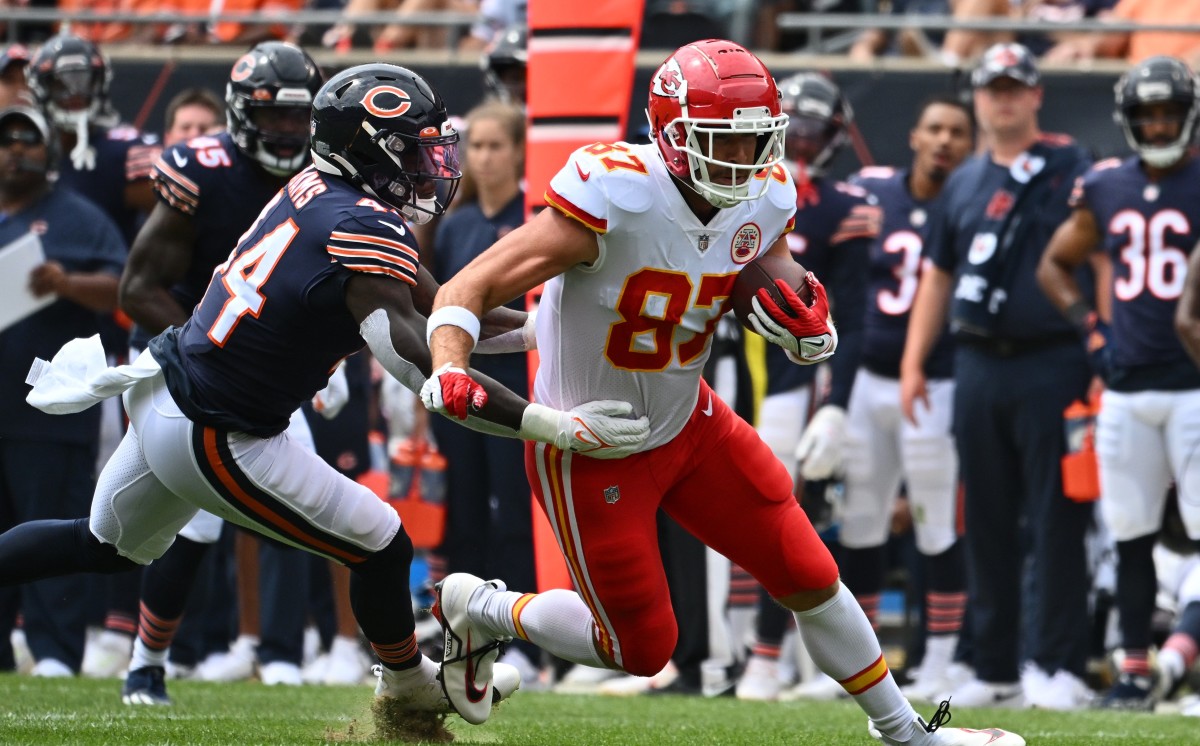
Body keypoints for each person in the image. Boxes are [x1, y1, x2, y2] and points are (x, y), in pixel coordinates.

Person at [0, 62, 650, 728]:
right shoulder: (364, 226)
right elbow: (422, 363)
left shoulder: (320, 189)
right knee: (381, 543)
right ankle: (406, 688)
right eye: (413, 148)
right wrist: (552, 424)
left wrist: (550, 327)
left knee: (103, 547)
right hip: (220, 432)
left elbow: (449, 313)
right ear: (368, 148)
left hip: (169, 394)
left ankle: (406, 680)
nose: (432, 163)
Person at [422, 38, 1024, 746]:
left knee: (808, 569)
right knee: (642, 649)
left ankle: (908, 735)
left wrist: (799, 310)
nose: (744, 160)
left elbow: (754, 262)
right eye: (724, 142)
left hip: (690, 421)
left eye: (755, 141)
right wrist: (451, 363)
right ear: (673, 137)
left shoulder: (763, 193)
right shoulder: (614, 192)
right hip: (590, 440)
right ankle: (483, 607)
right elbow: (471, 286)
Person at [117, 41, 340, 703]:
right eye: (276, 118)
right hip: (178, 354)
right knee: (190, 520)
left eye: (301, 119)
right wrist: (207, 352)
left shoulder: (326, 176)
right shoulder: (204, 168)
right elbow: (136, 288)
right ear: (243, 115)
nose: (291, 132)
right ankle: (147, 660)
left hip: (266, 361)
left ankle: (284, 650)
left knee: (308, 499)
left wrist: (334, 355)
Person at [900, 43, 1095, 711]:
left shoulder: (1072, 165)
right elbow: (939, 273)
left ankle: (1059, 662)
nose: (1003, 98)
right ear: (977, 96)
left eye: (1015, 87)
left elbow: (1098, 252)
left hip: (1053, 359)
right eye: (992, 88)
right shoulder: (963, 180)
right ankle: (997, 665)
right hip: (977, 362)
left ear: (1037, 94)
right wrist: (913, 360)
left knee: (1056, 517)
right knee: (982, 521)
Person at [1037, 55, 1200, 709]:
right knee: (1130, 534)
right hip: (1127, 386)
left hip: (1194, 384)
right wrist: (1092, 332)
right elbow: (1055, 265)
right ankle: (1136, 672)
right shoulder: (1104, 184)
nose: (1158, 125)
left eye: (1168, 112)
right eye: (1147, 114)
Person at [733, 71, 878, 703]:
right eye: (796, 127)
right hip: (739, 368)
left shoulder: (844, 206)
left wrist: (838, 403)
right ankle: (745, 654)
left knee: (794, 513)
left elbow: (855, 314)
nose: (803, 141)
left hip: (802, 378)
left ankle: (772, 657)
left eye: (816, 130)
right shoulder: (735, 187)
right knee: (750, 514)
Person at [838, 95, 975, 703]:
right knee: (862, 522)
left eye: (956, 132)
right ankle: (866, 666)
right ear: (915, 136)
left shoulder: (970, 200)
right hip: (870, 378)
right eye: (935, 129)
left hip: (937, 381)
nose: (945, 140)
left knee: (936, 524)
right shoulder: (872, 194)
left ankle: (942, 662)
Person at [0, 105, 127, 676]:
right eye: (6, 142)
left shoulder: (79, 217)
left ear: (49, 150)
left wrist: (65, 282)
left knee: (50, 526)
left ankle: (53, 652)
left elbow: (122, 287)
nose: (16, 151)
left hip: (47, 408)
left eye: (29, 140)